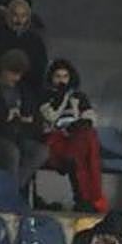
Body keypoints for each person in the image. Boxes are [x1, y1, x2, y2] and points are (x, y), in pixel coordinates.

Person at [40, 58, 107, 212]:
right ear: (51, 78)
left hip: (77, 138)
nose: (61, 80)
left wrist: (77, 123)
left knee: (87, 139)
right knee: (80, 154)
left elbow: (90, 117)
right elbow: (50, 118)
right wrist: (62, 98)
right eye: (58, 76)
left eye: (65, 76)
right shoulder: (45, 96)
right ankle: (86, 199)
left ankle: (88, 198)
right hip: (56, 138)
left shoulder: (79, 97)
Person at [0, 49, 49, 190]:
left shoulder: (23, 90)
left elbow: (35, 115)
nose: (16, 78)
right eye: (13, 73)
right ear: (3, 70)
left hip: (19, 135)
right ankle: (10, 192)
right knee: (11, 152)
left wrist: (29, 119)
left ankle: (14, 188)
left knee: (40, 151)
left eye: (19, 74)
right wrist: (6, 116)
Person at [0, 0, 48, 94]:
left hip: (28, 89)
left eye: (23, 16)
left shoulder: (35, 40)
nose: (19, 20)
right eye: (15, 15)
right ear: (8, 15)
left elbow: (40, 66)